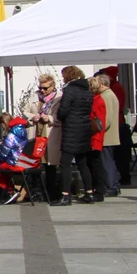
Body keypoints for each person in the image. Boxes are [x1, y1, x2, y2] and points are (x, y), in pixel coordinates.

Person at [52, 66, 94, 206]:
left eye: (64, 76)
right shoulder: (87, 90)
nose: (63, 78)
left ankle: (65, 196)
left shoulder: (69, 90)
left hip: (71, 130)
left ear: (68, 76)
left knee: (65, 163)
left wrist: (60, 117)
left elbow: (63, 111)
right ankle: (89, 193)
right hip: (84, 129)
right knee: (83, 163)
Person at [26, 74, 63, 200]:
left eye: (45, 88)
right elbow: (24, 111)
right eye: (40, 87)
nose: (42, 90)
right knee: (35, 162)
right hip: (36, 132)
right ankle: (36, 190)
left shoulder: (59, 98)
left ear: (53, 86)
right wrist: (32, 116)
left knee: (50, 164)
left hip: (50, 134)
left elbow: (62, 116)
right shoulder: (34, 97)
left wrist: (50, 118)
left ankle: (51, 191)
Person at [85, 77, 110, 203]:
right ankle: (94, 190)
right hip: (91, 136)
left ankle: (99, 192)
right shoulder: (93, 100)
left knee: (96, 165)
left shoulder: (98, 101)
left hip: (95, 137)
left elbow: (99, 122)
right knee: (91, 164)